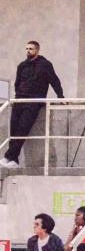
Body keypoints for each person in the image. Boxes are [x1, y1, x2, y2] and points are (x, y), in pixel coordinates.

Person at [1, 41, 64, 169]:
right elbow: (17, 83)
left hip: (34, 102)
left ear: (37, 50)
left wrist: (60, 96)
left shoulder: (45, 65)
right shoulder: (22, 66)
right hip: (20, 100)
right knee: (14, 130)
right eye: (27, 48)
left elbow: (54, 80)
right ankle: (14, 160)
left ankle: (8, 156)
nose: (28, 51)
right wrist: (16, 96)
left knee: (22, 129)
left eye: (31, 49)